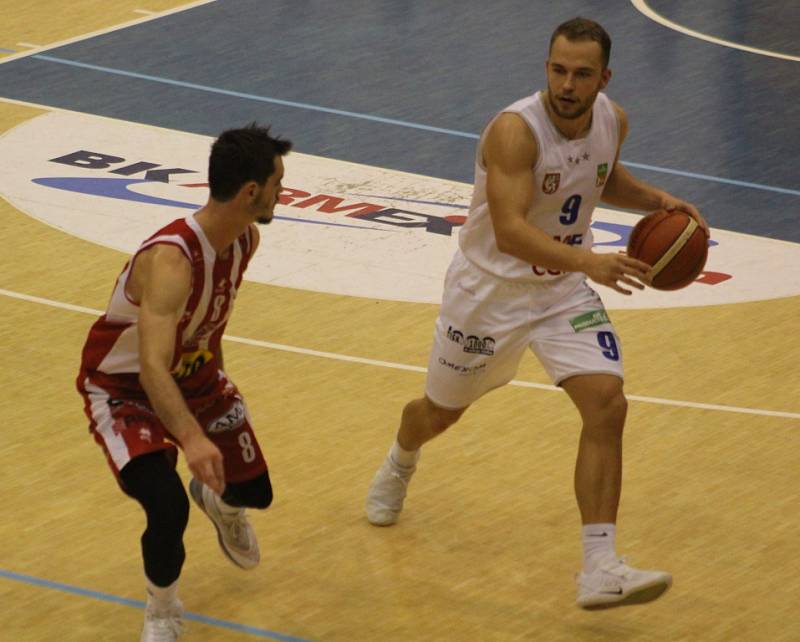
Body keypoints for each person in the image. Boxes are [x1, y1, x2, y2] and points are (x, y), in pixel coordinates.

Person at [365, 17, 708, 609]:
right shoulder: (513, 132)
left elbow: (599, 176)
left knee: (607, 402)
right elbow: (510, 232)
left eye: (580, 73)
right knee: (439, 414)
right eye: (557, 70)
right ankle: (401, 459)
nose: (567, 84)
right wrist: (590, 262)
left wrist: (656, 200)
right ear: (545, 67)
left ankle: (599, 566)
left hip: (560, 296)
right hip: (489, 294)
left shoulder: (612, 119)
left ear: (604, 77)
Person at [77, 124, 291, 640]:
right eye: (278, 184)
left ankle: (220, 504)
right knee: (167, 505)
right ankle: (163, 608)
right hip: (124, 388)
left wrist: (211, 393)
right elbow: (151, 366)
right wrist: (192, 438)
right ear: (250, 192)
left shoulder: (246, 239)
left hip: (197, 377)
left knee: (255, 491)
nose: (282, 193)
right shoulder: (170, 260)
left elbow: (206, 323)